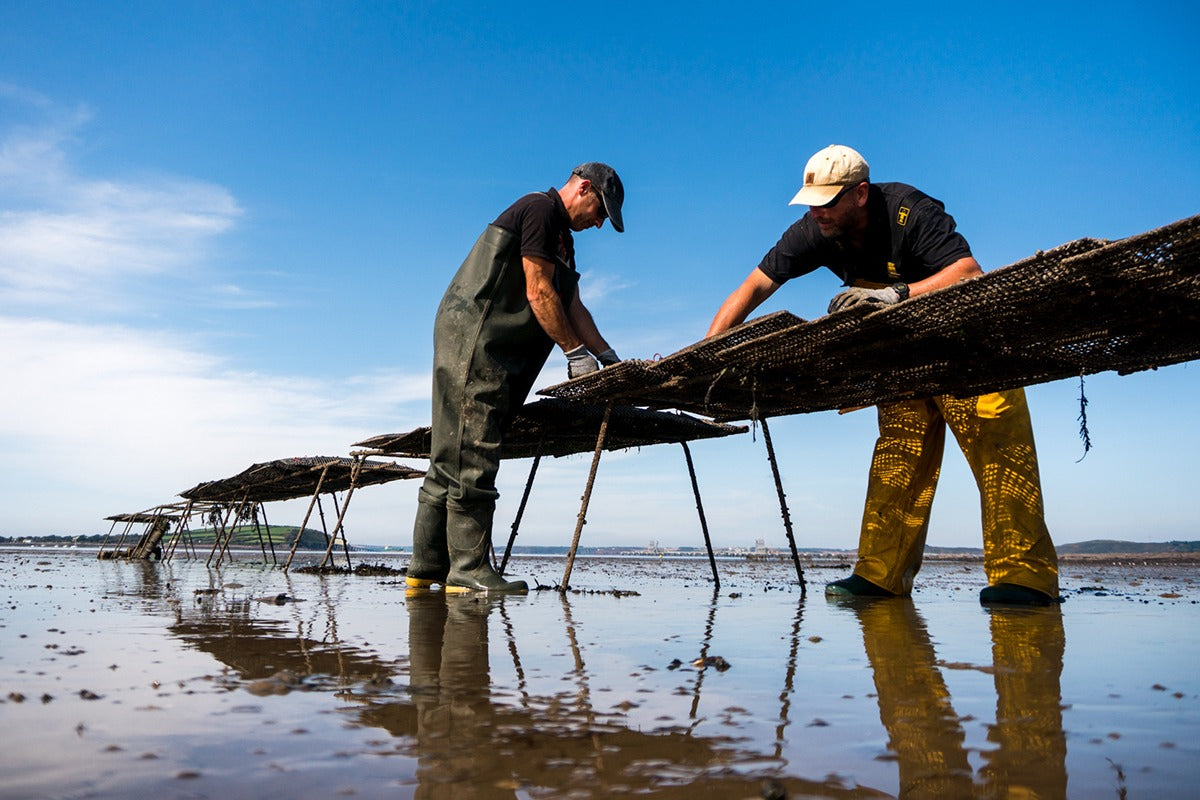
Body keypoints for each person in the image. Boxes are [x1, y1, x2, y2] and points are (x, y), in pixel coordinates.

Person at [707, 144, 1060, 606]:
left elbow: (968, 273)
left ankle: (1024, 578)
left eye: (829, 201)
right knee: (898, 458)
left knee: (999, 451)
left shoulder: (910, 211)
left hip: (970, 349)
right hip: (905, 359)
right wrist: (707, 352)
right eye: (812, 203)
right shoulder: (814, 229)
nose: (818, 213)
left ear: (860, 193)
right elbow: (752, 287)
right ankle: (880, 576)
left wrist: (897, 295)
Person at [407, 163, 625, 594]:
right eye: (601, 212)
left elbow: (573, 306)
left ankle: (424, 570)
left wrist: (606, 355)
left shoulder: (563, 240)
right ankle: (467, 569)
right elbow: (538, 291)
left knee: (449, 455)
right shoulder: (539, 211)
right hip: (477, 340)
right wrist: (573, 353)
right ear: (584, 188)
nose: (598, 224)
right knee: (474, 451)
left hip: (488, 349)